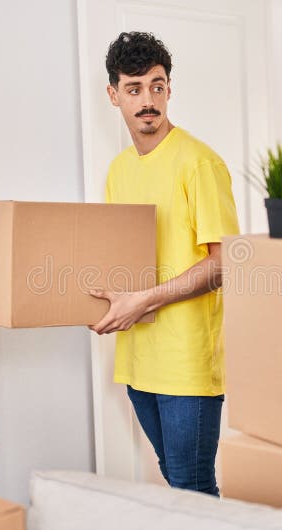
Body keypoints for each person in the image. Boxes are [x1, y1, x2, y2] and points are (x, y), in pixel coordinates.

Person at [88, 31, 240, 497]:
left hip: (186, 361)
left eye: (156, 86)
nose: (147, 100)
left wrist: (144, 300)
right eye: (134, 89)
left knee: (192, 488)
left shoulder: (199, 163)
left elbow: (224, 264)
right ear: (114, 96)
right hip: (137, 358)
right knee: (175, 482)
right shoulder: (118, 170)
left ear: (169, 88)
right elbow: (122, 259)